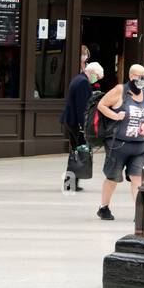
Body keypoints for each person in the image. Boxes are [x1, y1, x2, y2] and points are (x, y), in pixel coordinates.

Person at [96, 64, 144, 221]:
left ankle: (139, 212)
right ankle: (104, 207)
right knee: (113, 178)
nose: (142, 80)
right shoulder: (120, 90)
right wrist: (116, 116)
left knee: (138, 179)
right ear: (131, 77)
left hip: (140, 146)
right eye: (140, 77)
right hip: (119, 145)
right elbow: (101, 105)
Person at [62, 60, 103, 191]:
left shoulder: (78, 78)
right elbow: (82, 107)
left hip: (70, 120)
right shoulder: (83, 83)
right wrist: (84, 126)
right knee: (77, 152)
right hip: (75, 122)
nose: (96, 80)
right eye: (97, 76)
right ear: (92, 72)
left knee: (76, 152)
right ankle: (70, 183)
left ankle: (71, 182)